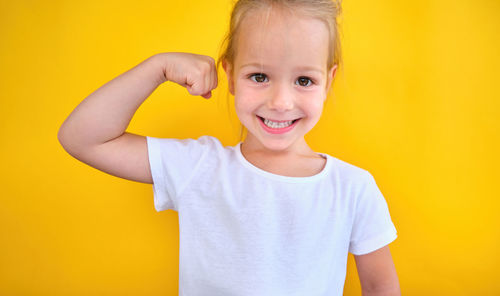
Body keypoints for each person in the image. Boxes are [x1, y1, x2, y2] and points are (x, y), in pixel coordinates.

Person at [58, 0, 400, 295]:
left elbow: (380, 287)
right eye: (260, 77)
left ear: (329, 82)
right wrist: (156, 68)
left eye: (304, 80)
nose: (281, 102)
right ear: (231, 76)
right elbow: (82, 138)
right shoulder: (198, 167)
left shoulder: (353, 189)